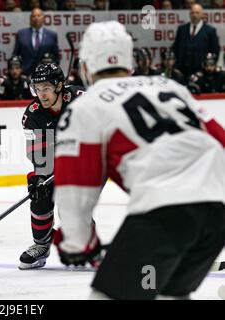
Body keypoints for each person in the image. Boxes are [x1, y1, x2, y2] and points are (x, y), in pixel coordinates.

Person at [53, 21, 225, 300]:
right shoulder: (170, 87)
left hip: (164, 214)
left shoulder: (86, 105)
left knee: (108, 296)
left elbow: (76, 188)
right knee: (172, 294)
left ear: (86, 64)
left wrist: (76, 243)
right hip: (217, 214)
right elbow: (220, 140)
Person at [19, 62, 84, 270]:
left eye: (46, 88)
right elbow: (40, 156)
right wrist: (39, 177)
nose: (41, 94)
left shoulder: (81, 100)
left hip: (91, 160)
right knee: (40, 190)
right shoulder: (33, 115)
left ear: (59, 86)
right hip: (60, 160)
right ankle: (42, 244)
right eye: (37, 89)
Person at [172, 3, 220, 80]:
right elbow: (176, 49)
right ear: (189, 14)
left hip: (202, 73)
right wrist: (176, 67)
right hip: (182, 72)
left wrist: (210, 67)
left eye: (197, 13)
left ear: (202, 14)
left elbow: (215, 51)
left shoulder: (210, 31)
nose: (194, 15)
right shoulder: (182, 29)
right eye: (192, 13)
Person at [12, 8, 59, 76]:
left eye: (38, 15)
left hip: (45, 75)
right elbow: (16, 54)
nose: (36, 18)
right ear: (30, 19)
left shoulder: (52, 35)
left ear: (43, 18)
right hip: (25, 74)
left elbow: (56, 58)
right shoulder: (21, 34)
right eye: (33, 16)